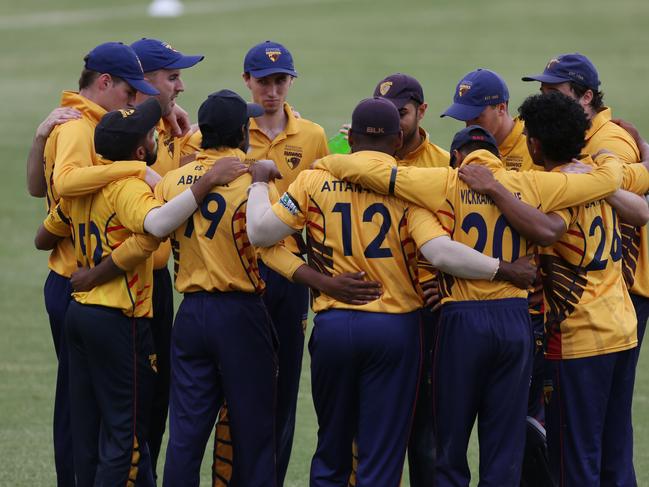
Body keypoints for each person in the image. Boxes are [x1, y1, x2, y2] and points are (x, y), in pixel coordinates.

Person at [245, 97, 538, 486]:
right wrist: (503, 270)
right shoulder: (408, 187)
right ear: (398, 140)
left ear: (351, 139)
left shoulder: (315, 179)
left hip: (334, 325)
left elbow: (261, 236)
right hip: (395, 331)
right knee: (380, 459)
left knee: (330, 450)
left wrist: (260, 183)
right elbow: (438, 251)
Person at [313, 120, 625, 485]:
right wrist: (608, 159)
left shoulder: (444, 182)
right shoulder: (532, 183)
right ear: (494, 156)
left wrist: (327, 162)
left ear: (458, 157)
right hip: (514, 322)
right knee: (503, 447)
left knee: (451, 443)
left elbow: (380, 176)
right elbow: (606, 183)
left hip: (461, 321)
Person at [157, 89, 378, 487]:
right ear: (242, 131)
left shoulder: (175, 181)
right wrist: (324, 282)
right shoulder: (254, 179)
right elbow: (274, 252)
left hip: (189, 315)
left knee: (186, 436)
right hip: (241, 316)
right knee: (257, 433)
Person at [34, 98, 244, 486]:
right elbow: (156, 224)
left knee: (86, 431)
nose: (156, 138)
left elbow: (43, 237)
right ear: (139, 151)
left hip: (80, 314)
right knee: (123, 436)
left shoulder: (84, 185)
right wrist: (205, 183)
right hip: (119, 317)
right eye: (151, 136)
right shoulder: (128, 189)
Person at [459, 92, 649, 486]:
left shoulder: (555, 188)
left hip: (579, 339)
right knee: (616, 456)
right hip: (622, 330)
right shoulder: (599, 172)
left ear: (533, 144)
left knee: (575, 462)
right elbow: (641, 211)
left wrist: (493, 188)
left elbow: (548, 229)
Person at [189, 40, 330, 486]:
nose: (272, 91)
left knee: (282, 389)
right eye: (264, 81)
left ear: (291, 82)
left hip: (287, 273)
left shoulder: (312, 136)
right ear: (246, 81)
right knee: (231, 393)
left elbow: (323, 202)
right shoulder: (218, 133)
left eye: (280, 81)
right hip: (232, 274)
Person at [25, 41, 160, 487]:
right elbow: (64, 184)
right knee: (89, 413)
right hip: (80, 281)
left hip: (73, 278)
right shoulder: (80, 127)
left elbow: (35, 191)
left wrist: (39, 138)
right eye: (128, 92)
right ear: (104, 82)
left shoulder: (67, 122)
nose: (133, 100)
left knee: (84, 407)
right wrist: (133, 172)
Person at [441, 67, 548, 481]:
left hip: (531, 309)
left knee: (524, 436)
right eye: (462, 119)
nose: (469, 125)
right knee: (502, 438)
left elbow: (551, 225)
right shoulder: (458, 164)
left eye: (475, 117)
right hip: (507, 311)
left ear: (502, 109)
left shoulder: (533, 148)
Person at [522, 52, 649, 350]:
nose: (545, 100)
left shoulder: (609, 142)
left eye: (554, 93)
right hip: (590, 289)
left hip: (616, 290)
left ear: (586, 97)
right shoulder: (562, 132)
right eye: (543, 93)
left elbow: (634, 206)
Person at [130, 36, 204, 474]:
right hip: (121, 283)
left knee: (159, 400)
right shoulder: (117, 136)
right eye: (173, 77)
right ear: (143, 81)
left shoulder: (167, 128)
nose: (181, 87)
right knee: (133, 405)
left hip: (158, 282)